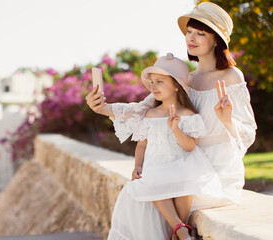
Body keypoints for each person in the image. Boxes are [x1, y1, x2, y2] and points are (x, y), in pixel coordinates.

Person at [85, 2, 257, 239]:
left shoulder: (230, 76)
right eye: (189, 32)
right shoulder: (184, 79)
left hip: (216, 169)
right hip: (181, 162)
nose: (191, 38)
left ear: (216, 40)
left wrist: (227, 120)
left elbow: (248, 130)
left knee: (153, 194)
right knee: (139, 196)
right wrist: (103, 108)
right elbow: (143, 109)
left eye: (200, 33)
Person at [107, 53, 224, 240]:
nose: (153, 86)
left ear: (177, 85)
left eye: (159, 82)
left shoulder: (187, 114)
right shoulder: (150, 114)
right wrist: (137, 166)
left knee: (185, 179)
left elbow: (189, 146)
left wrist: (175, 128)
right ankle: (180, 229)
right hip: (156, 164)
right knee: (152, 179)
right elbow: (142, 145)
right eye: (151, 82)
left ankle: (179, 227)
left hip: (182, 161)